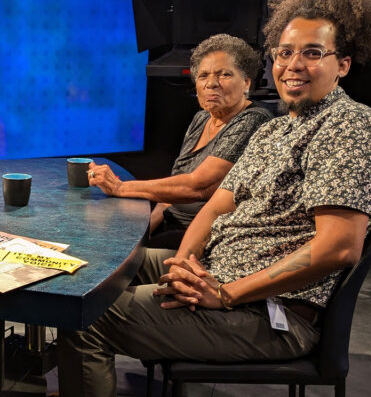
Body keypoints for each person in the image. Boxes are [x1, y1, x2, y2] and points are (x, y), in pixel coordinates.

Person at [57, 0, 371, 397]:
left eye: (312, 53)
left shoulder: (354, 130)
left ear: (343, 63)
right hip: (215, 273)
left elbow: (337, 247)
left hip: (267, 312)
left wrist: (224, 294)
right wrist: (183, 260)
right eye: (284, 53)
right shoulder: (279, 126)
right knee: (91, 265)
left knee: (88, 316)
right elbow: (217, 203)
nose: (292, 65)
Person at [87, 34, 273, 248]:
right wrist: (144, 237)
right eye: (203, 76)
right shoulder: (202, 118)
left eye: (224, 75)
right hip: (172, 225)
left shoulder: (254, 119)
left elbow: (197, 186)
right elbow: (170, 195)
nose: (211, 83)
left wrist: (120, 188)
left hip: (209, 238)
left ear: (246, 83)